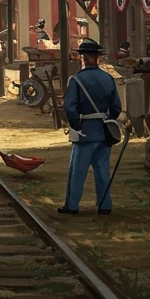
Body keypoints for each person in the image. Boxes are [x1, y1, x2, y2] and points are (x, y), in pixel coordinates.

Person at [59, 39, 122, 216]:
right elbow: (116, 107)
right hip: (103, 132)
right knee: (102, 171)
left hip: (85, 131)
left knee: (77, 171)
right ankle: (104, 205)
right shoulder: (108, 79)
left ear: (84, 58)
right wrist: (108, 121)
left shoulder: (77, 80)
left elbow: (70, 107)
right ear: (98, 58)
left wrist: (76, 124)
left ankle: (72, 206)